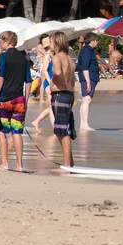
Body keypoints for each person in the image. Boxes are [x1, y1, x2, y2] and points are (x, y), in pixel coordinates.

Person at [0, 31, 32, 171]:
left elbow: (0, 78)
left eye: (0, 40)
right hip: (19, 99)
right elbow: (28, 81)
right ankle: (20, 165)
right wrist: (25, 100)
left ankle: (4, 163)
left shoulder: (3, 57)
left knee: (1, 130)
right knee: (17, 132)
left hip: (4, 99)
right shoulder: (24, 57)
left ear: (7, 41)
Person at [49, 32, 77, 168]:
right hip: (69, 94)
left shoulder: (56, 58)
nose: (50, 45)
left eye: (51, 42)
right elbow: (72, 79)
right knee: (64, 128)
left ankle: (67, 165)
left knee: (62, 131)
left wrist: (52, 82)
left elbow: (58, 73)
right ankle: (70, 162)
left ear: (57, 43)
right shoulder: (70, 59)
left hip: (60, 94)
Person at [31, 37, 55, 132]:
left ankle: (36, 121)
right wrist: (50, 82)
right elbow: (45, 71)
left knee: (51, 106)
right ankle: (54, 127)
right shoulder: (47, 56)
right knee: (52, 106)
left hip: (53, 83)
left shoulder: (53, 55)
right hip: (49, 83)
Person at [77, 32, 100, 131]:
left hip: (89, 77)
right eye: (96, 40)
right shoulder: (86, 51)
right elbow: (85, 67)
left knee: (85, 101)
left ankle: (83, 124)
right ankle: (84, 124)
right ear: (92, 41)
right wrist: (88, 82)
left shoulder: (87, 50)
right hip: (88, 77)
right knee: (87, 100)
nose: (97, 42)